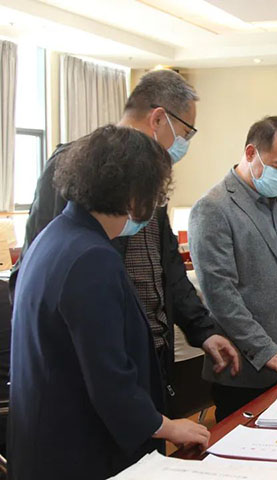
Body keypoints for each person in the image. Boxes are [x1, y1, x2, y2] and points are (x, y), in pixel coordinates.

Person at [9, 69, 239, 409]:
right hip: (92, 363)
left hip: (150, 351)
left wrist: (203, 330)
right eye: (186, 132)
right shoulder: (77, 164)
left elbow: (168, 266)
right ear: (158, 119)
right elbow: (36, 272)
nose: (185, 144)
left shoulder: (152, 174)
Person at [9, 126, 210, 480]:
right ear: (134, 195)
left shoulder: (55, 235)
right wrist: (167, 427)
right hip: (79, 451)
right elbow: (107, 374)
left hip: (44, 441)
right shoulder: (92, 257)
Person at [189, 116, 277, 422]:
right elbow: (220, 295)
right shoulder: (213, 207)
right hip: (248, 365)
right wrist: (265, 348)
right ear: (250, 153)